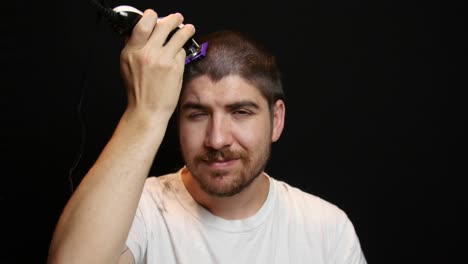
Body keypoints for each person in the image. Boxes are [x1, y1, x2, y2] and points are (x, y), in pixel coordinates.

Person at [48, 9, 367, 264]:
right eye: (197, 114)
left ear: (276, 119)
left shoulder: (327, 230)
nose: (216, 140)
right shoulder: (137, 210)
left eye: (241, 112)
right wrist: (144, 113)